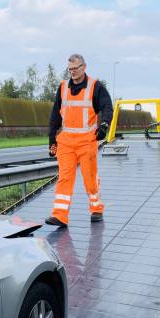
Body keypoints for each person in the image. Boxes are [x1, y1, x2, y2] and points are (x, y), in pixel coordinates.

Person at [45, 54, 113, 227]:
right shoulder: (62, 88)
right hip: (66, 142)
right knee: (64, 178)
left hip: (86, 141)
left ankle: (96, 208)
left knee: (89, 178)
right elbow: (55, 115)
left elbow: (107, 108)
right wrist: (52, 139)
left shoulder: (95, 86)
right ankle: (60, 215)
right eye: (70, 69)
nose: (73, 72)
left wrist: (104, 126)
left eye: (76, 69)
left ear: (84, 67)